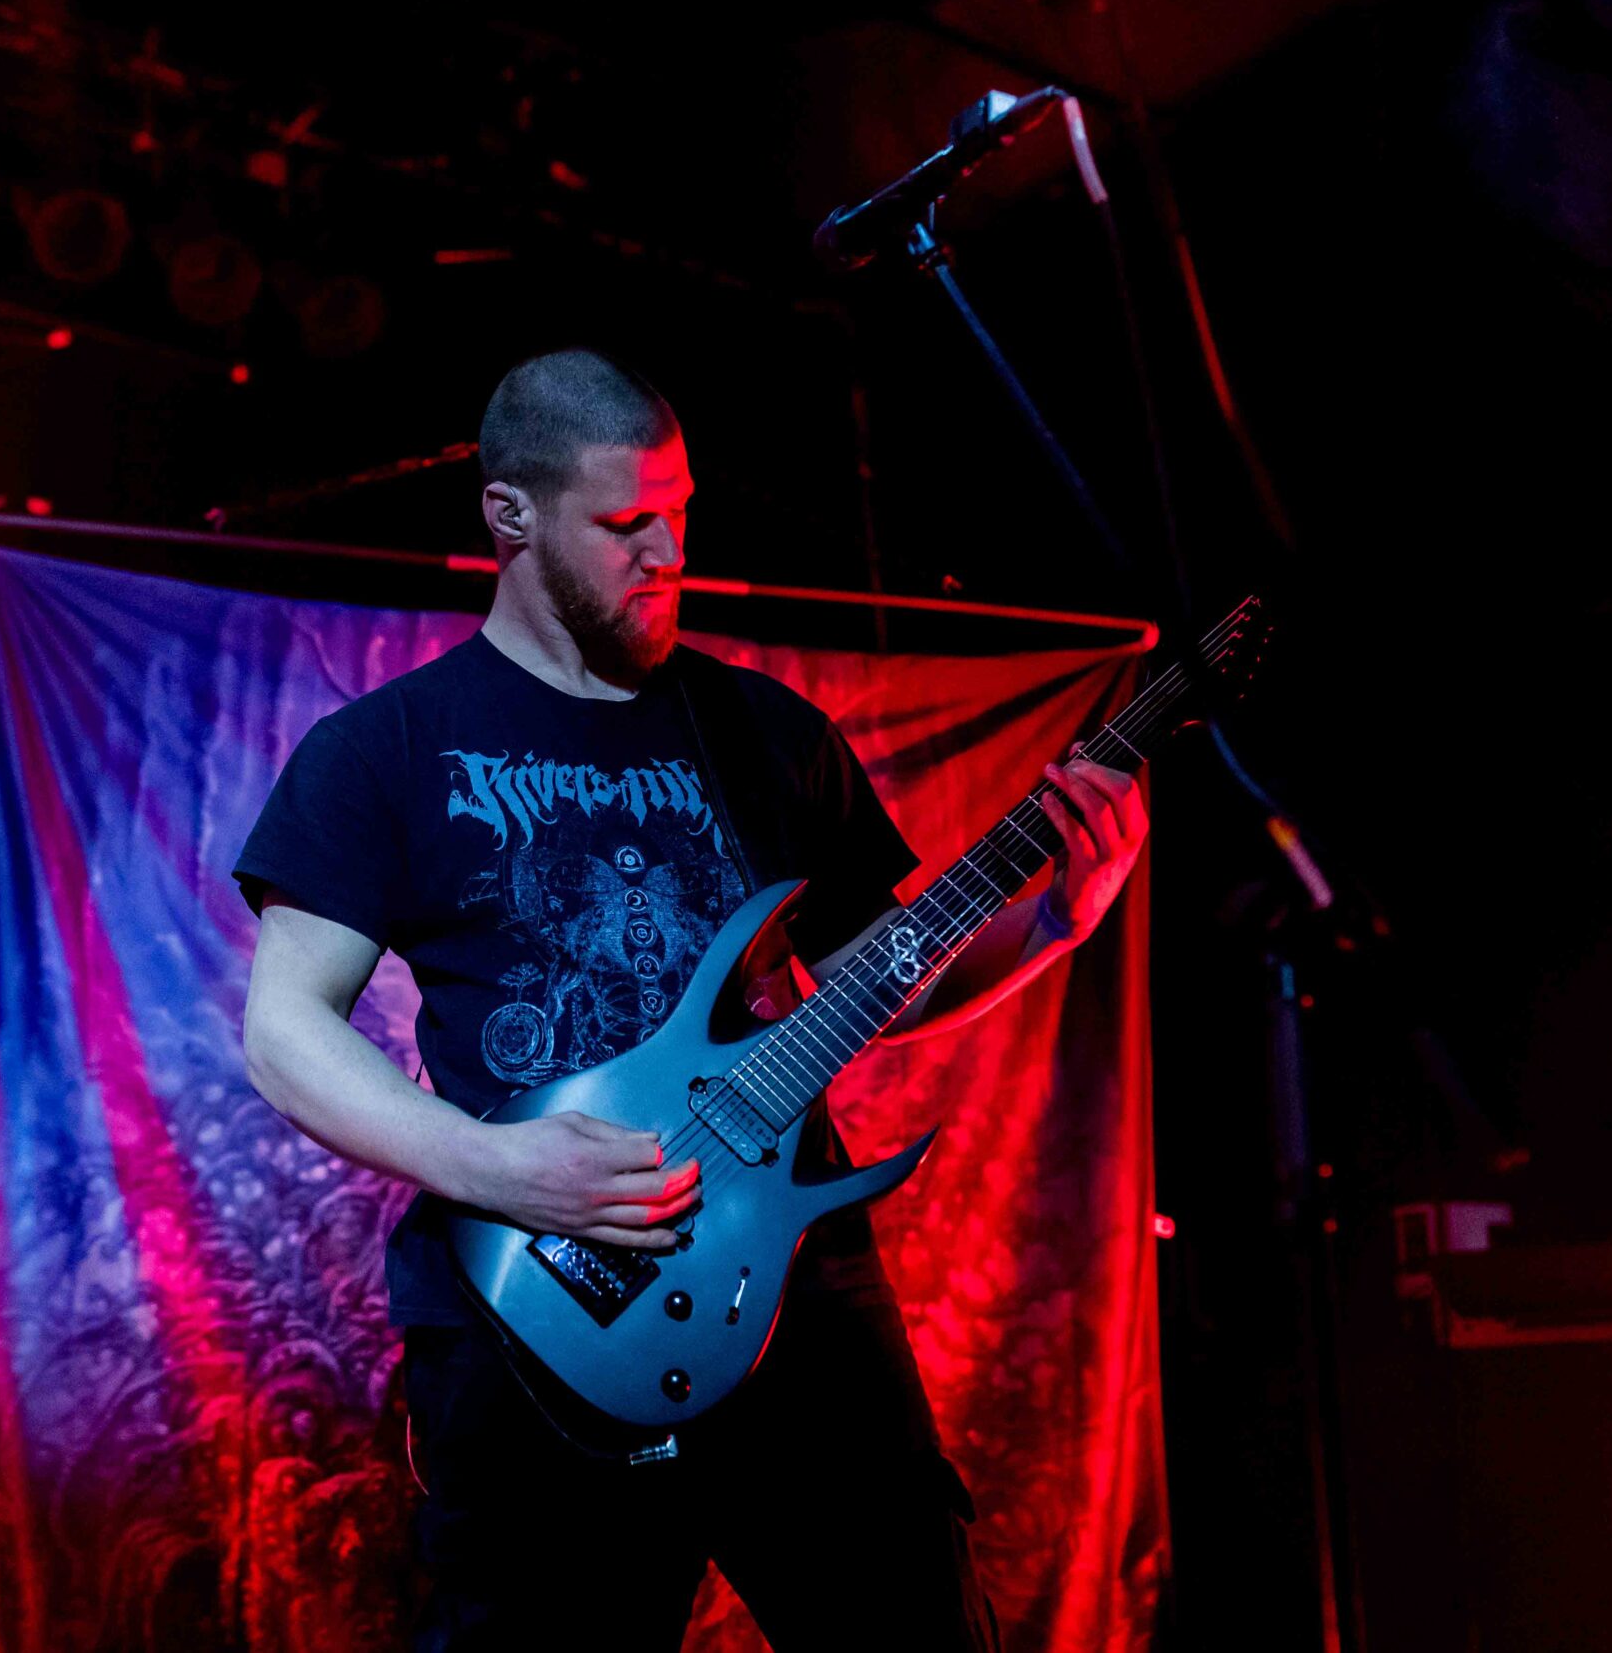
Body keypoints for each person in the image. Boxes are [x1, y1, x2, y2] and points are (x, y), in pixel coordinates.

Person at [235, 349, 1145, 1651]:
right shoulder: (384, 749)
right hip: (539, 1312)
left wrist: (1054, 923)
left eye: (680, 513)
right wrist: (498, 1167)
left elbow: (874, 980)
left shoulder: (769, 734)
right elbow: (285, 1033)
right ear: (509, 515)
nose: (667, 554)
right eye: (625, 524)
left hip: (797, 1294)